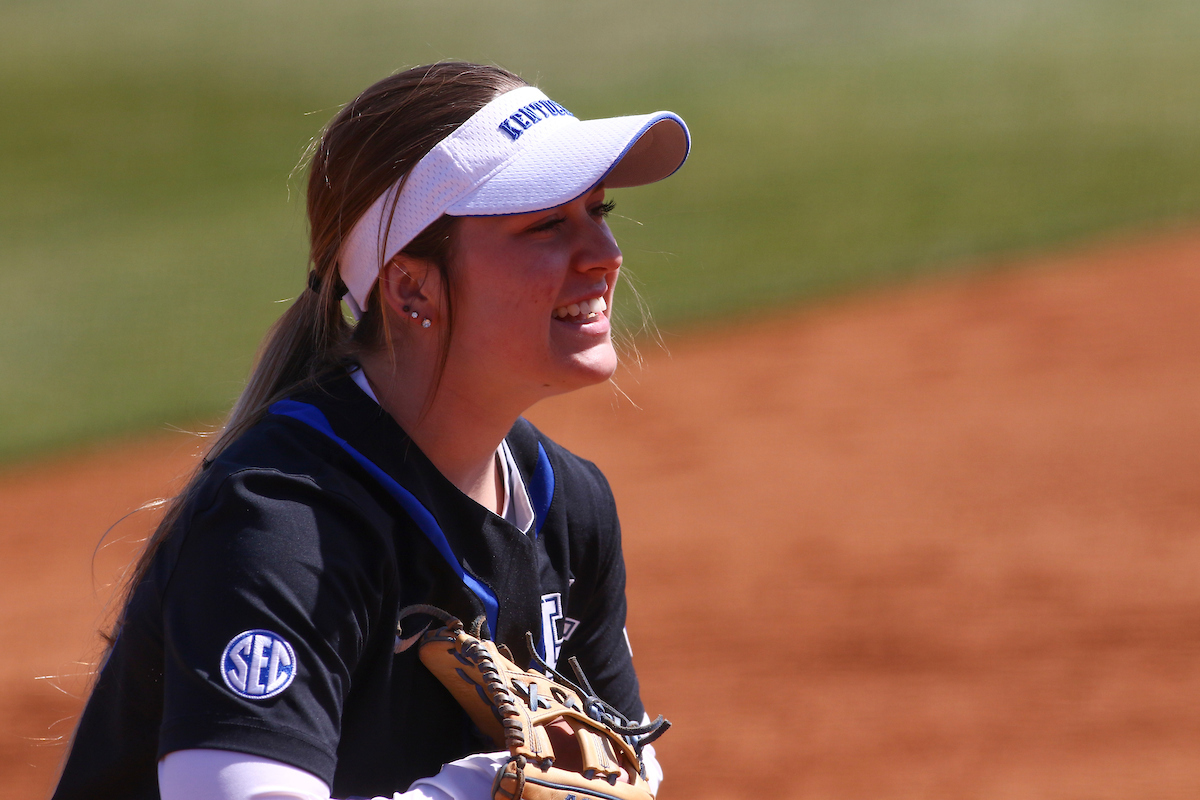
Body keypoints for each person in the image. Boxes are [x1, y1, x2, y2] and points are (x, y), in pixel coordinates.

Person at [51, 62, 690, 800]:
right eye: (547, 223)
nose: (604, 256)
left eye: (598, 213)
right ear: (412, 286)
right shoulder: (284, 528)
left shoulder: (568, 508)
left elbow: (627, 764)